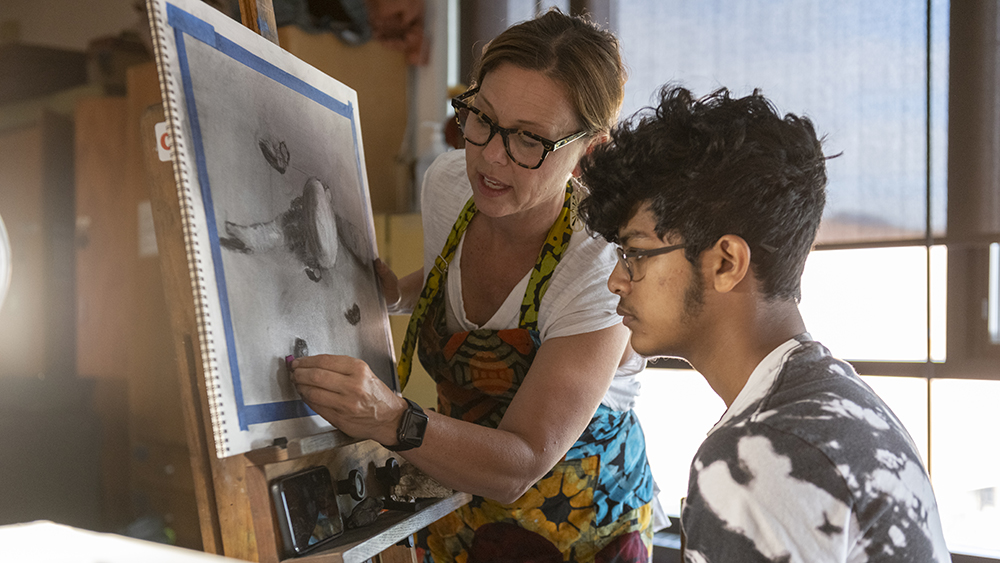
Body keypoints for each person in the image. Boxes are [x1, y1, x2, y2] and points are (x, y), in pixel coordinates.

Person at [288, 9, 656, 562]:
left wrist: (389, 417)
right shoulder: (449, 185)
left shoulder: (598, 262)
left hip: (577, 526)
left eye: (530, 140)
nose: (490, 155)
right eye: (480, 118)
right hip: (459, 501)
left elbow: (524, 460)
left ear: (590, 151)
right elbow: (452, 279)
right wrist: (392, 295)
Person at [577, 85, 951, 562]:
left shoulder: (756, 459)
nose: (616, 281)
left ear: (727, 261)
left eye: (635, 253)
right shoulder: (842, 400)